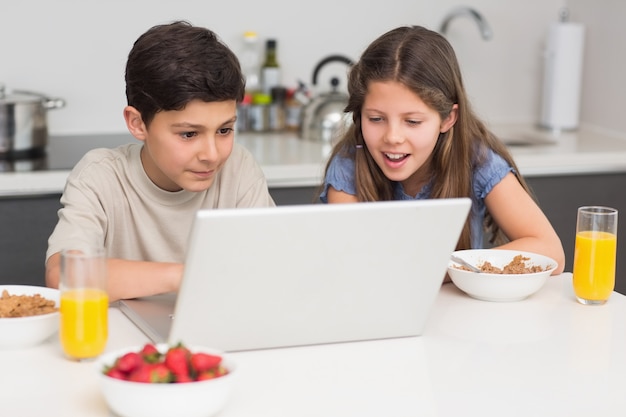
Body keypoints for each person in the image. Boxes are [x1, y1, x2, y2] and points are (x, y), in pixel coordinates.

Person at [45, 21, 275, 301]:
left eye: (224, 130)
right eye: (189, 134)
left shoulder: (238, 168)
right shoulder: (101, 176)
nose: (212, 155)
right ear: (138, 123)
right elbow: (63, 275)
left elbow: (269, 265)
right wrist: (186, 276)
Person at [319, 25, 565, 275]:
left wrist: (446, 268)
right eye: (375, 119)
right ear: (359, 114)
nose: (392, 137)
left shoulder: (476, 161)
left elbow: (549, 250)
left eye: (412, 121)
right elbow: (350, 263)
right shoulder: (349, 165)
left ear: (448, 118)